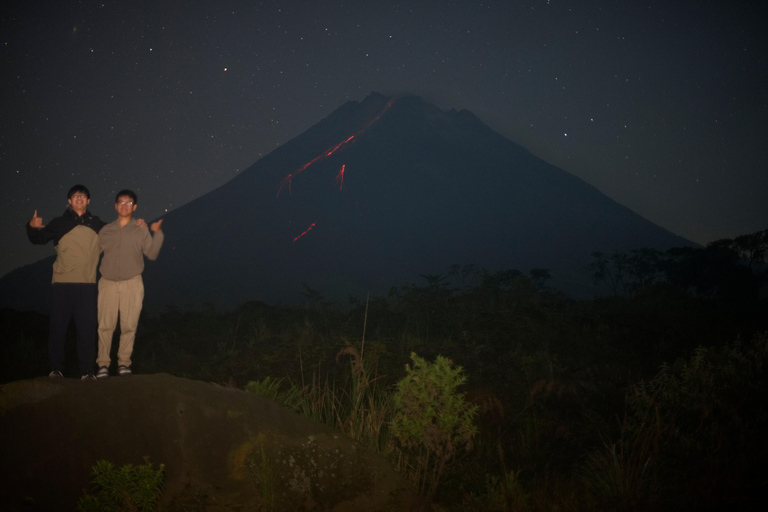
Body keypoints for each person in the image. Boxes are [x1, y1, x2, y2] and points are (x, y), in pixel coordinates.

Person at [27, 184, 106, 380]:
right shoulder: (59, 223)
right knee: (57, 328)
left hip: (87, 285)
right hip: (61, 284)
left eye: (83, 196)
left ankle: (87, 371)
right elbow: (38, 239)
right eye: (75, 196)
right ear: (69, 201)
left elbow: (119, 237)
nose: (79, 198)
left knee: (87, 330)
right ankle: (56, 368)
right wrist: (31, 226)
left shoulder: (98, 224)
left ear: (88, 201)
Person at [96, 189, 164, 378]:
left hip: (132, 283)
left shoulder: (140, 229)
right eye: (121, 202)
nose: (124, 206)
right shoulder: (106, 230)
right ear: (115, 205)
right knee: (105, 325)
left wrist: (157, 234)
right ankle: (102, 364)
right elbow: (92, 253)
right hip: (107, 283)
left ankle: (124, 363)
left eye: (129, 203)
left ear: (134, 207)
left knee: (129, 325)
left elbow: (151, 253)